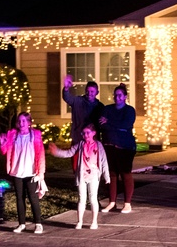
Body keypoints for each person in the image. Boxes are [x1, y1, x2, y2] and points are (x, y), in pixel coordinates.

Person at [48, 123, 110, 229]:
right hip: (82, 175)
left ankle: (94, 222)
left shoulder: (98, 145)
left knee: (93, 198)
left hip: (94, 175)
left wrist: (107, 176)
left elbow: (104, 161)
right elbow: (69, 153)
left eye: (88, 133)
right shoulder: (81, 144)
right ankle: (79, 221)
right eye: (83, 133)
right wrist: (57, 152)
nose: (85, 135)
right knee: (81, 198)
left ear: (94, 133)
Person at [0, 111, 46, 234]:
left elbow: (41, 155)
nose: (21, 123)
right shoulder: (13, 136)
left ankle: (38, 223)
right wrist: (2, 142)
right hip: (17, 171)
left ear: (29, 122)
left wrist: (41, 173)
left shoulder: (35, 135)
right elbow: (4, 151)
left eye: (24, 121)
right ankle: (22, 223)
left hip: (31, 172)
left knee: (33, 197)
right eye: (19, 121)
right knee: (19, 198)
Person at [99, 83, 137, 214]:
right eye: (115, 95)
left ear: (125, 97)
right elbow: (102, 125)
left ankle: (127, 203)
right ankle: (112, 202)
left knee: (125, 173)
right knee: (112, 174)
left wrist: (109, 123)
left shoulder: (129, 110)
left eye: (120, 95)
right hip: (109, 145)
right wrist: (116, 127)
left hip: (125, 147)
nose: (117, 97)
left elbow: (126, 125)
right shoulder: (107, 109)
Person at [62, 75, 105, 145]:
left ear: (97, 92)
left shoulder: (100, 106)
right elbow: (67, 98)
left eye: (92, 91)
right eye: (87, 91)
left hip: (93, 140)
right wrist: (66, 88)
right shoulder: (77, 101)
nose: (89, 93)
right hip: (78, 137)